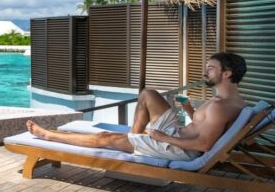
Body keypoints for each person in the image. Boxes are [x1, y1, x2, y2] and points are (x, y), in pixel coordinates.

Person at [26, 52, 248, 161]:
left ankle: (47, 135)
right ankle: (134, 138)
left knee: (105, 137)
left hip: (179, 148)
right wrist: (189, 108)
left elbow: (204, 144)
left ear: (227, 73)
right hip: (177, 134)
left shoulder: (219, 105)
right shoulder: (234, 101)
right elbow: (204, 125)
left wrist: (163, 138)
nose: (205, 72)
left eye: (210, 69)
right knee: (148, 94)